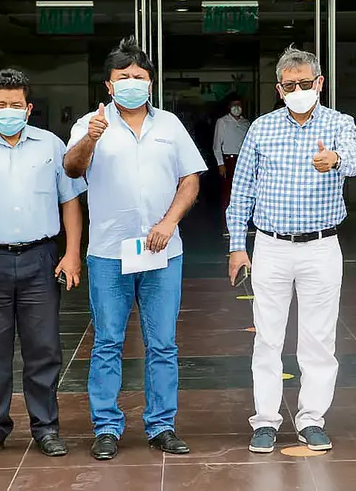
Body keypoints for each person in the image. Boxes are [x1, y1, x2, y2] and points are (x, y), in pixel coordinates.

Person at [63, 38, 207, 461]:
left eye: (139, 77)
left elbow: (191, 179)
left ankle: (162, 424)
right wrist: (90, 139)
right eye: (123, 78)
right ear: (109, 85)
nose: (131, 83)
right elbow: (72, 169)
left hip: (163, 251)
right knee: (107, 341)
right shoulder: (92, 124)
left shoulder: (170, 126)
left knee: (162, 343)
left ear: (151, 83)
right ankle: (106, 427)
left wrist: (168, 222)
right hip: (109, 252)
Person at [227, 46, 356, 454]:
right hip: (271, 245)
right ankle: (265, 421)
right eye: (291, 85)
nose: (300, 89)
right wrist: (238, 246)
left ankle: (311, 419)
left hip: (321, 246)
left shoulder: (339, 124)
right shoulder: (262, 128)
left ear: (320, 83)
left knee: (319, 338)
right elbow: (242, 189)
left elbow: (355, 161)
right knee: (268, 337)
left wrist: (334, 159)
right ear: (279, 89)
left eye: (307, 83)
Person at [0, 68, 86, 459]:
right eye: (0, 105)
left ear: (28, 109)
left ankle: (46, 427)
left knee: (43, 348)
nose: (7, 111)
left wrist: (72, 253)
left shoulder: (51, 146)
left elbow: (70, 201)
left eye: (15, 105)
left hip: (39, 259)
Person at [212, 94, 251, 216]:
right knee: (227, 192)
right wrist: (220, 164)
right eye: (234, 105)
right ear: (229, 107)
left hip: (243, 160)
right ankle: (226, 223)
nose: (237, 108)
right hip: (229, 160)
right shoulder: (222, 121)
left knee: (243, 191)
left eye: (239, 105)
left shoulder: (246, 123)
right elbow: (216, 145)